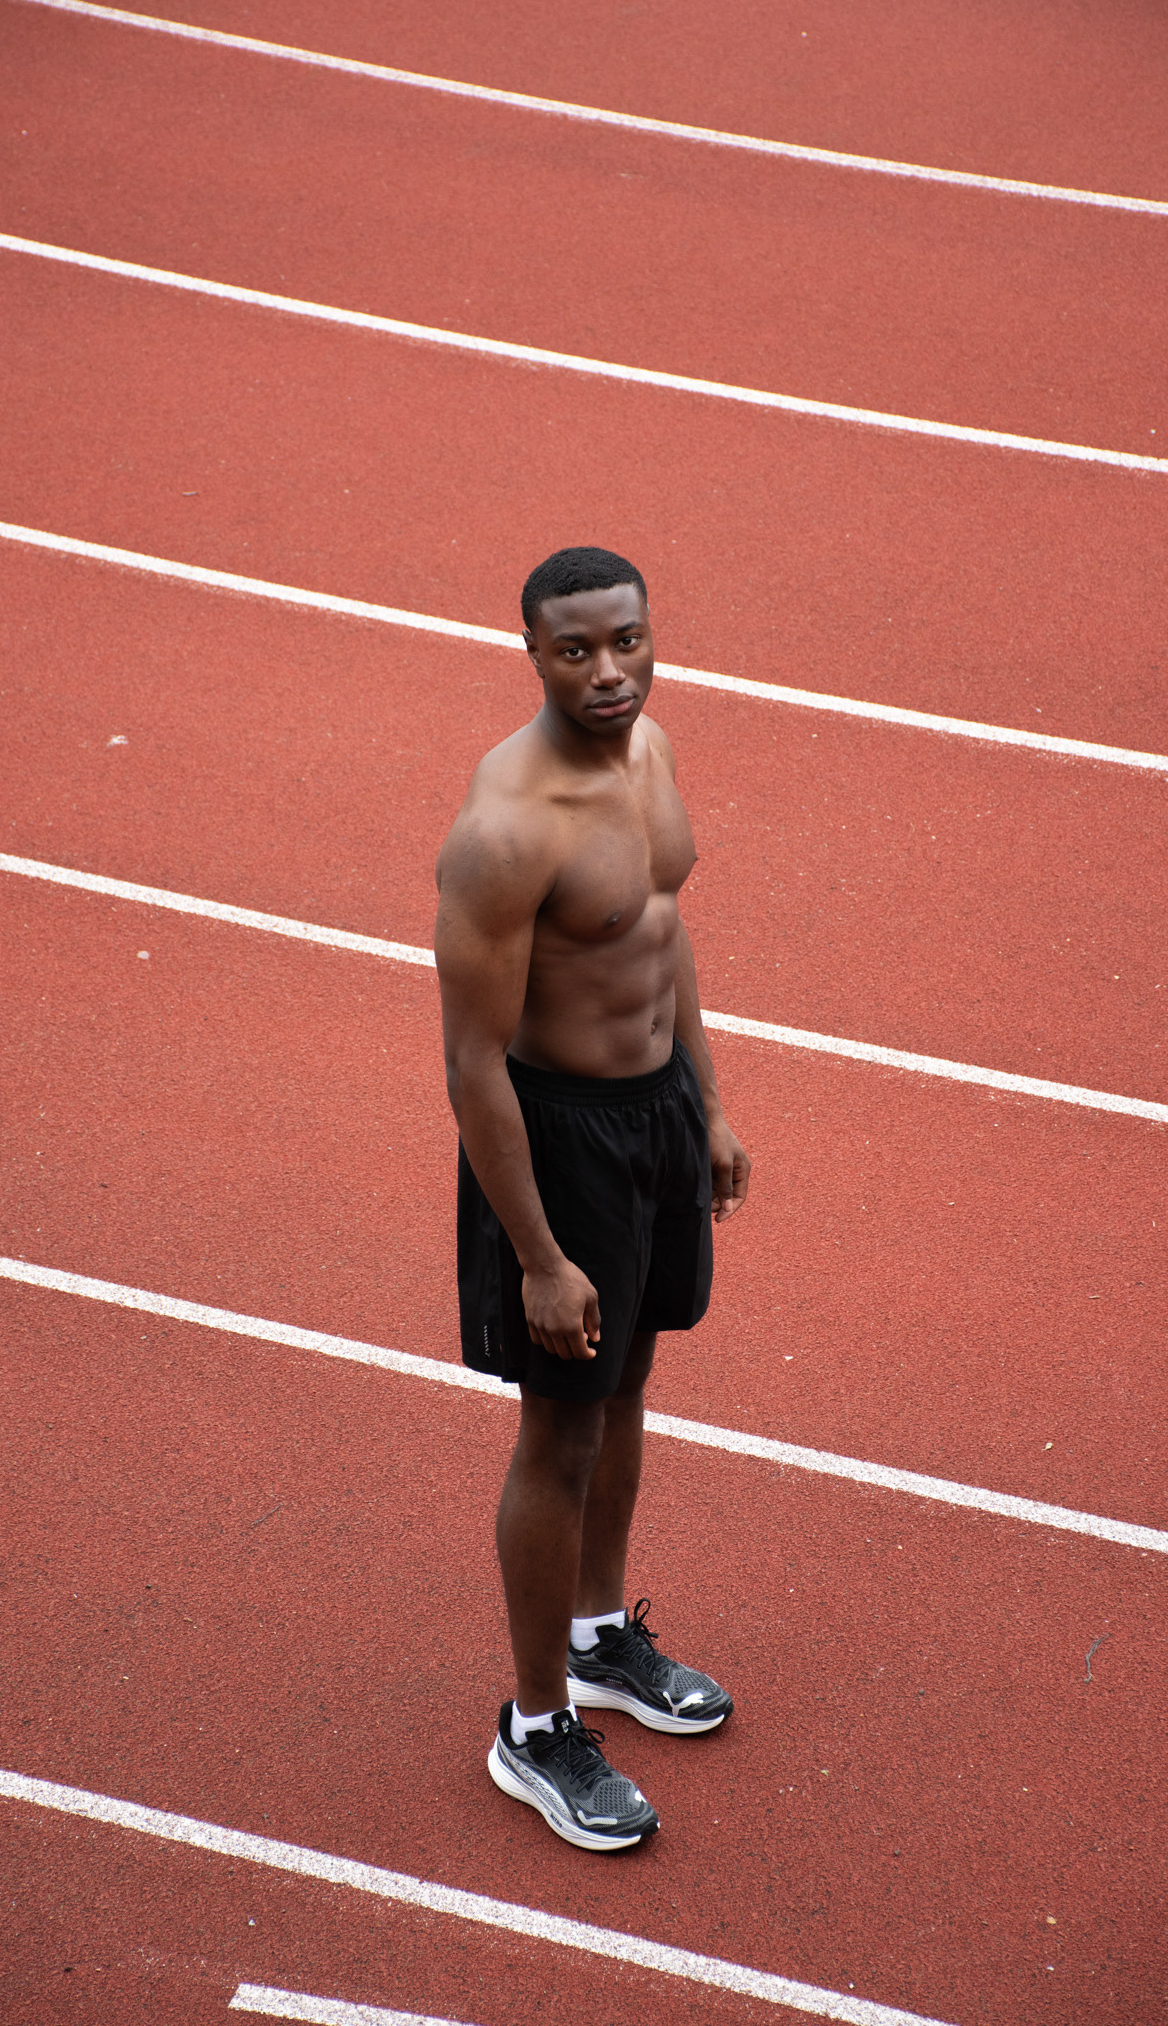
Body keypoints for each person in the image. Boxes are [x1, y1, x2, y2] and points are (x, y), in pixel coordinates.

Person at [434, 546, 751, 1852]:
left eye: (627, 641)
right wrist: (539, 1256)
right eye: (576, 650)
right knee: (558, 1435)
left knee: (626, 1389)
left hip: (655, 1115)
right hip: (558, 1146)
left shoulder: (651, 752)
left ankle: (600, 1632)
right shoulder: (506, 830)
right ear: (533, 654)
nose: (609, 671)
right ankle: (535, 1724)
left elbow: (661, 940)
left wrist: (708, 1104)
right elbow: (472, 1063)